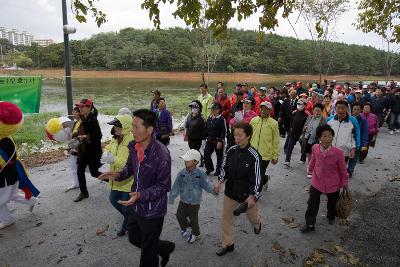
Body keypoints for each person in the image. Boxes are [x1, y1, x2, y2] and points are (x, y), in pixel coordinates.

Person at [98, 109, 175, 267]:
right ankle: (164, 247)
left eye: (136, 127)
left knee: (147, 256)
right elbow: (130, 168)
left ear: (150, 129)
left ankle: (154, 249)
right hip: (136, 205)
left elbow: (163, 186)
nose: (132, 130)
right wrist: (117, 174)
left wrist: (141, 195)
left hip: (153, 211)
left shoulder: (162, 155)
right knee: (134, 238)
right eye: (131, 126)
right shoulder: (134, 146)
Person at [214, 122, 262, 256]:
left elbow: (257, 180)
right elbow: (224, 167)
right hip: (230, 192)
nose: (237, 137)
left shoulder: (255, 156)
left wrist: (252, 197)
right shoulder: (231, 150)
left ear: (248, 136)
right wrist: (220, 181)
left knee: (253, 218)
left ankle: (258, 223)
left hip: (248, 196)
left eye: (240, 135)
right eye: (235, 135)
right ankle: (228, 244)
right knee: (227, 218)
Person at [300, 124, 349, 233]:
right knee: (312, 203)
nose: (328, 138)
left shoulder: (338, 152)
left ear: (333, 137)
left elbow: (343, 169)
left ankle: (331, 215)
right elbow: (313, 160)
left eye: (330, 136)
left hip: (333, 184)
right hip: (317, 181)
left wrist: (345, 182)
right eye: (324, 136)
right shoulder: (315, 148)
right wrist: (310, 169)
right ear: (319, 138)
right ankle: (310, 224)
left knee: (332, 203)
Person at [0, 102, 39, 229]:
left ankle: (7, 220)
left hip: (6, 177)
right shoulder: (6, 137)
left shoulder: (4, 142)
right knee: (13, 195)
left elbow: (1, 162)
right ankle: (32, 201)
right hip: (12, 174)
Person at [169, 149, 217, 243]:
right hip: (183, 200)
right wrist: (172, 196)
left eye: (188, 160)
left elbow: (207, 184)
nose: (185, 162)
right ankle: (186, 227)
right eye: (185, 160)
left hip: (195, 202)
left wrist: (214, 190)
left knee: (193, 218)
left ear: (196, 162)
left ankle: (196, 234)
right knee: (179, 215)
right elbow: (176, 185)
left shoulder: (200, 174)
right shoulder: (182, 173)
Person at [102, 114, 134, 237]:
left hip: (127, 181)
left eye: (117, 125)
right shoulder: (115, 138)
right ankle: (131, 219)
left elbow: (129, 163)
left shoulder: (131, 141)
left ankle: (126, 225)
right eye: (114, 125)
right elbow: (108, 147)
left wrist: (113, 159)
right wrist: (106, 154)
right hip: (115, 179)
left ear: (125, 127)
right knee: (113, 199)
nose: (115, 128)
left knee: (126, 207)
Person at [74, 98, 103, 202]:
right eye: (79, 106)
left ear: (89, 108)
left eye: (82, 106)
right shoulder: (83, 119)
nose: (80, 108)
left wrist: (86, 136)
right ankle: (84, 192)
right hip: (83, 151)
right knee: (79, 170)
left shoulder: (93, 120)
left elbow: (99, 136)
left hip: (93, 152)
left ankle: (115, 181)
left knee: (95, 173)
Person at [250, 101, 280, 190]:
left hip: (265, 155)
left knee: (259, 174)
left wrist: (275, 156)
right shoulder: (253, 120)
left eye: (266, 109)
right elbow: (249, 135)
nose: (263, 111)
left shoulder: (274, 123)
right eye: (262, 108)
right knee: (253, 173)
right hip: (252, 152)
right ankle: (265, 179)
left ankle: (256, 193)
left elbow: (276, 141)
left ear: (270, 111)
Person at [300, 103, 326, 175]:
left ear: (322, 111)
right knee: (308, 153)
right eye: (315, 110)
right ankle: (310, 167)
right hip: (307, 137)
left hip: (317, 139)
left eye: (318, 111)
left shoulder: (323, 120)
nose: (316, 112)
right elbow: (305, 125)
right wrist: (304, 128)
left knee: (315, 154)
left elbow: (324, 132)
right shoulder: (310, 117)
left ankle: (314, 168)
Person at [283, 98, 309, 167]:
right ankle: (287, 161)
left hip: (301, 134)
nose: (299, 105)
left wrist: (303, 134)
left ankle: (303, 159)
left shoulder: (307, 114)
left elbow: (307, 124)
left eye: (300, 104)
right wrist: (291, 128)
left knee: (303, 147)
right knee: (289, 146)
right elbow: (291, 121)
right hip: (293, 133)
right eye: (298, 104)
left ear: (305, 105)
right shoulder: (294, 112)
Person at [204, 103, 226, 176]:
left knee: (219, 156)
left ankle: (218, 170)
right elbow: (206, 130)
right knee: (206, 154)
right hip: (209, 140)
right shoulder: (209, 118)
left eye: (214, 109)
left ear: (218, 110)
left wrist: (220, 141)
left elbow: (224, 131)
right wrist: (204, 138)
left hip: (218, 141)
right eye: (211, 109)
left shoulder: (222, 119)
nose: (212, 110)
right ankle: (209, 168)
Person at [347, 102, 368, 178]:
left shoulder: (363, 121)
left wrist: (364, 144)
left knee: (353, 159)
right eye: (354, 109)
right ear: (352, 110)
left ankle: (350, 172)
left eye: (358, 109)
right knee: (345, 158)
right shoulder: (348, 118)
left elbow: (364, 133)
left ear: (361, 110)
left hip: (357, 143)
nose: (356, 111)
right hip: (347, 142)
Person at [184, 100, 206, 166]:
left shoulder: (201, 118)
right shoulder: (189, 116)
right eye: (192, 108)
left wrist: (203, 139)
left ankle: (202, 160)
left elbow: (204, 130)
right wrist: (186, 134)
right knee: (192, 150)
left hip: (198, 138)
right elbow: (187, 125)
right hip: (190, 137)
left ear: (199, 109)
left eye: (195, 108)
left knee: (197, 150)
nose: (194, 109)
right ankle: (195, 160)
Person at [66, 106, 81, 192]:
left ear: (79, 112)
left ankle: (107, 177)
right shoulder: (75, 123)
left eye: (75, 112)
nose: (73, 114)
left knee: (91, 169)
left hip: (80, 149)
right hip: (74, 149)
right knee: (73, 167)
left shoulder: (82, 123)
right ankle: (76, 183)